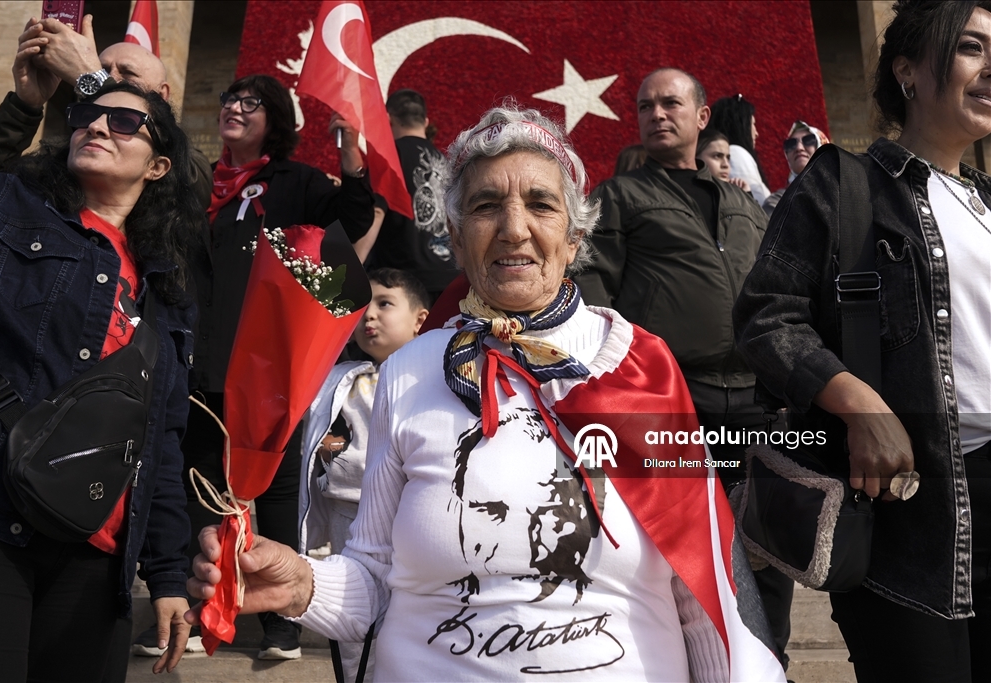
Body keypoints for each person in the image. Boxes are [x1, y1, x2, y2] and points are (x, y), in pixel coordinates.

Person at [187, 104, 786, 682]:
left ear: (575, 237)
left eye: (541, 204)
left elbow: (701, 590)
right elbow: (374, 581)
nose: (514, 228)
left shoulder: (640, 365)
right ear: (455, 235)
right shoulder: (408, 370)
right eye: (486, 205)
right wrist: (302, 584)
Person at [733, 2, 991, 681]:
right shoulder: (844, 185)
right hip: (909, 508)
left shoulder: (987, 202)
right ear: (907, 70)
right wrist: (858, 404)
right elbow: (766, 316)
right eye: (971, 47)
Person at [0, 81, 200, 682]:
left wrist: (167, 574)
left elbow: (162, 439)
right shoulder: (5, 208)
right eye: (86, 115)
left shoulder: (166, 293)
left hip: (98, 551)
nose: (95, 126)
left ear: (157, 166)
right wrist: (23, 106)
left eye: (122, 121)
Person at [573, 68, 795, 670]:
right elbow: (593, 290)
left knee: (766, 541)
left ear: (702, 117)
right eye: (645, 106)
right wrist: (614, 382)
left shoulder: (741, 202)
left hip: (755, 399)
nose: (656, 114)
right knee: (679, 543)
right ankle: (691, 664)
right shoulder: (618, 197)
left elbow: (776, 290)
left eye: (670, 103)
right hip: (673, 399)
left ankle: (767, 663)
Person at [171, 73, 375, 662]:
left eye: (250, 102)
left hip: (270, 368)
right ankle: (203, 613)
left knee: (278, 495)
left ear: (276, 119)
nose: (234, 108)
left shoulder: (295, 182)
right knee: (200, 487)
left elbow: (352, 222)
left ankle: (282, 625)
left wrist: (350, 151)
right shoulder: (199, 185)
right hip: (201, 362)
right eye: (229, 98)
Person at [299, 267, 429, 680]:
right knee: (356, 622)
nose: (369, 315)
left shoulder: (432, 380)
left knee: (409, 615)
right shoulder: (341, 380)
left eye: (385, 304)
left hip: (410, 513)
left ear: (420, 320)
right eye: (362, 308)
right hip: (349, 513)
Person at [0, 14, 212, 209]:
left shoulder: (188, 162)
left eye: (127, 74)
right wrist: (24, 106)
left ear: (162, 94)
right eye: (103, 70)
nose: (111, 78)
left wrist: (94, 78)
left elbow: (192, 185)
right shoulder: (71, 152)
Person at [365, 90, 457, 304]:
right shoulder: (446, 162)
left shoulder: (389, 157)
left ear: (388, 119)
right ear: (425, 121)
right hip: (450, 277)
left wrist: (353, 263)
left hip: (406, 284)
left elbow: (375, 212)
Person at [709, 95, 770, 205]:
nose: (756, 133)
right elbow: (760, 203)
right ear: (740, 125)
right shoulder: (737, 153)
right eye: (753, 124)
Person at [762, 120, 829, 216]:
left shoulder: (842, 193)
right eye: (791, 143)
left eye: (808, 140)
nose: (799, 148)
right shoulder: (777, 202)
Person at [696, 128, 751, 192]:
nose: (726, 165)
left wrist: (744, 194)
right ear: (695, 157)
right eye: (717, 156)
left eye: (728, 158)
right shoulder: (689, 194)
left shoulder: (736, 191)